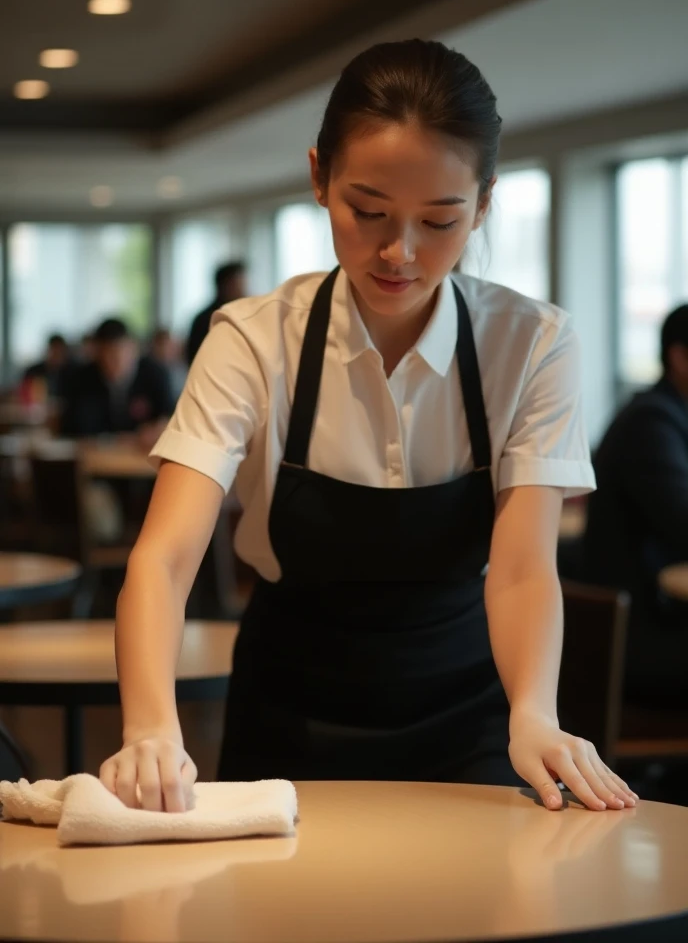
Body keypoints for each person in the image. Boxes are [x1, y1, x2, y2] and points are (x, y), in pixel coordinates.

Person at [101, 40, 636, 815]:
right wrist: (150, 723)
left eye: (441, 220)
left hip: (470, 709)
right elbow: (166, 555)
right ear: (318, 177)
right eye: (369, 210)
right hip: (289, 702)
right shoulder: (253, 339)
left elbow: (521, 571)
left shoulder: (533, 344)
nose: (400, 252)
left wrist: (536, 713)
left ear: (483, 204)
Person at [583, 304, 688, 704]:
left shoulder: (670, 416)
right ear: (679, 357)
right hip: (639, 636)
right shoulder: (652, 422)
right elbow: (682, 525)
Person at [60, 318, 175, 439]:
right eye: (108, 353)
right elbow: (73, 427)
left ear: (134, 348)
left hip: (143, 453)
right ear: (97, 354)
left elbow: (169, 418)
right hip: (95, 453)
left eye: (122, 351)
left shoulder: (155, 374)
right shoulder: (81, 380)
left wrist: (159, 428)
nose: (116, 361)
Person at [185, 261, 247, 366]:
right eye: (239, 284)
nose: (243, 290)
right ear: (225, 285)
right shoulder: (205, 320)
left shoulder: (245, 314)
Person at [22, 333, 74, 400]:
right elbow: (24, 392)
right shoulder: (34, 371)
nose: (56, 355)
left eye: (59, 351)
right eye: (54, 350)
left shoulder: (72, 373)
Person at [149, 328, 187, 400]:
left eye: (170, 346)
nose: (166, 350)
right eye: (162, 345)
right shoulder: (147, 372)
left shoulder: (180, 370)